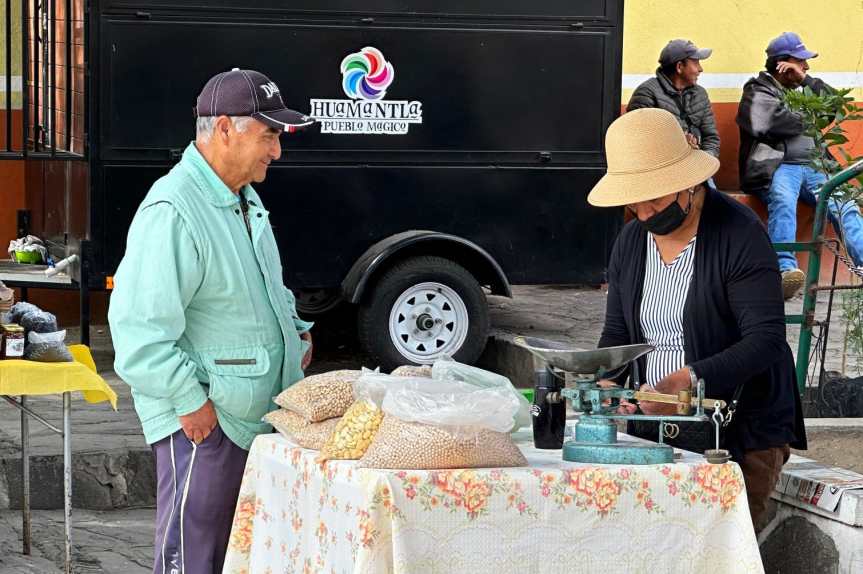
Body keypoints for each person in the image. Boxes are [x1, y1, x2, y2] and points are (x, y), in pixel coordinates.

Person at [108, 68, 315, 574]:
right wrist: (191, 404)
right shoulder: (174, 209)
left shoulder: (244, 198)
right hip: (205, 423)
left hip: (250, 417)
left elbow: (263, 286)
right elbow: (138, 334)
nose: (277, 151)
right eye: (268, 135)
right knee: (193, 559)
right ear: (225, 128)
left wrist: (295, 331)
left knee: (237, 559)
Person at [588, 108, 806, 531]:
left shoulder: (739, 233)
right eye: (635, 200)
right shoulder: (632, 242)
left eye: (656, 197)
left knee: (720, 548)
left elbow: (765, 341)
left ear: (688, 181)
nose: (646, 212)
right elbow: (617, 333)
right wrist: (603, 380)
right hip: (654, 427)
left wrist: (686, 380)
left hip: (738, 430)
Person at [737, 32, 863, 299]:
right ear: (782, 64)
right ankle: (785, 272)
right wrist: (809, 114)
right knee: (783, 200)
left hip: (816, 166)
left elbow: (834, 108)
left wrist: (805, 81)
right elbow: (765, 123)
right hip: (778, 166)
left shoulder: (802, 88)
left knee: (845, 203)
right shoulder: (756, 90)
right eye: (800, 62)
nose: (806, 66)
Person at [627, 39, 719, 158]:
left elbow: (711, 138)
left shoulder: (700, 94)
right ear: (679, 67)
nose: (700, 69)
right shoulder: (647, 93)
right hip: (662, 169)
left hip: (696, 166)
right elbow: (637, 142)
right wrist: (677, 145)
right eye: (696, 63)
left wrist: (704, 161)